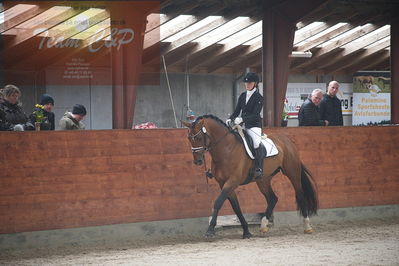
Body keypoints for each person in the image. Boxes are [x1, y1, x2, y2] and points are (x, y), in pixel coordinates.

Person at [226, 72, 264, 179]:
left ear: (255, 83)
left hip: (254, 125)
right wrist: (231, 118)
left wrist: (243, 119)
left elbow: (255, 114)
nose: (247, 85)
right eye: (246, 83)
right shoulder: (242, 96)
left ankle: (258, 168)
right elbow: (237, 110)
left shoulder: (259, 97)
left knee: (256, 143)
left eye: (249, 83)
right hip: (242, 125)